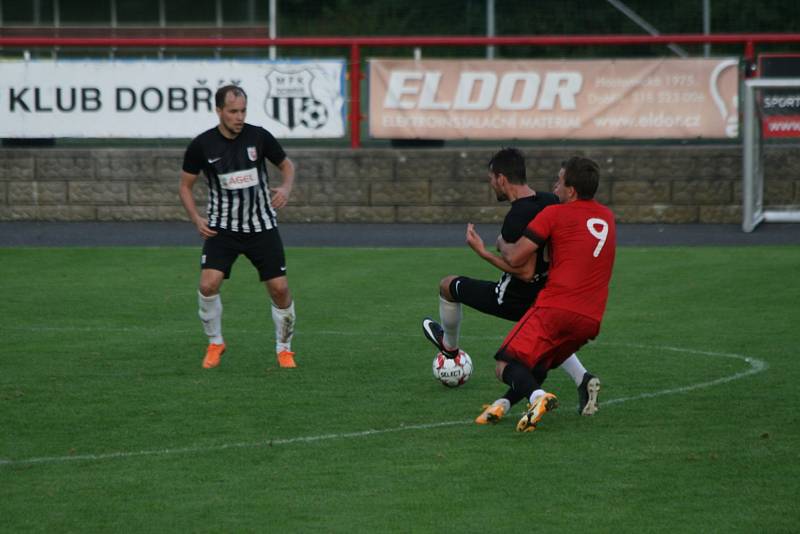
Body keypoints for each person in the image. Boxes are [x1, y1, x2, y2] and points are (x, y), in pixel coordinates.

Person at [421, 148, 600, 425]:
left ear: (502, 179)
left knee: (448, 286)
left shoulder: (516, 217)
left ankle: (450, 350)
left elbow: (524, 272)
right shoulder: (550, 200)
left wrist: (484, 251)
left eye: (492, 178)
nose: (491, 184)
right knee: (549, 340)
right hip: (547, 293)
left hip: (513, 296)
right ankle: (583, 378)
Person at [178, 84, 298, 370]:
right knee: (208, 285)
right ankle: (215, 342)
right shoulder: (202, 145)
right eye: (233, 111)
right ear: (219, 111)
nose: (239, 116)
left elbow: (287, 165)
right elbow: (185, 185)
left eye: (243, 110)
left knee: (280, 289)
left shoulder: (259, 137)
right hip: (223, 229)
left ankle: (284, 350)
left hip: (261, 227)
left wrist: (286, 187)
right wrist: (196, 218)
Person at [495, 155, 616, 432]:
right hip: (591, 319)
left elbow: (515, 257)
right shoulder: (607, 217)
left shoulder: (554, 214)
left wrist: (499, 242)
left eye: (559, 182)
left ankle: (538, 397)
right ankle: (504, 403)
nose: (555, 187)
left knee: (504, 364)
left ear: (571, 190)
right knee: (540, 363)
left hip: (555, 308)